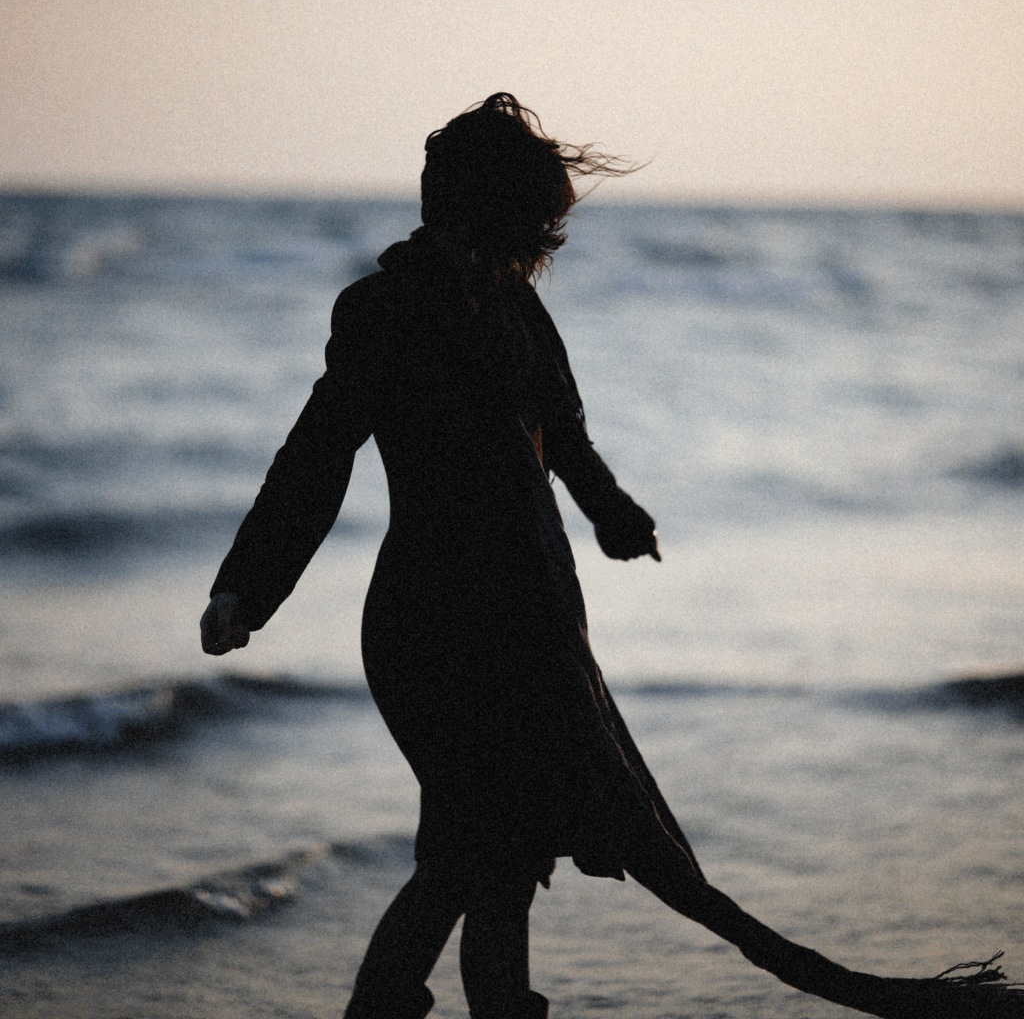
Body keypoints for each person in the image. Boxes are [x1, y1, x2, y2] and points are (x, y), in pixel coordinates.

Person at [201, 95, 996, 1019]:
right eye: (537, 215)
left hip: (535, 622)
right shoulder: (383, 311)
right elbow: (316, 455)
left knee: (509, 848)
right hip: (435, 625)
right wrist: (243, 591)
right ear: (494, 206)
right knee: (468, 847)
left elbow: (565, 438)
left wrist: (615, 516)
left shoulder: (520, 311)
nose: (546, 235)